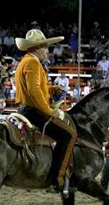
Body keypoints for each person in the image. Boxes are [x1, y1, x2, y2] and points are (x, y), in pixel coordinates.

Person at [15, 29, 77, 192]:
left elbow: (36, 88)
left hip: (27, 108)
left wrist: (51, 89)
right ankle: (58, 178)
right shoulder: (33, 63)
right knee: (69, 134)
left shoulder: (26, 61)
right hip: (33, 111)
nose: (47, 51)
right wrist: (49, 111)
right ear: (37, 48)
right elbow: (34, 91)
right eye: (45, 47)